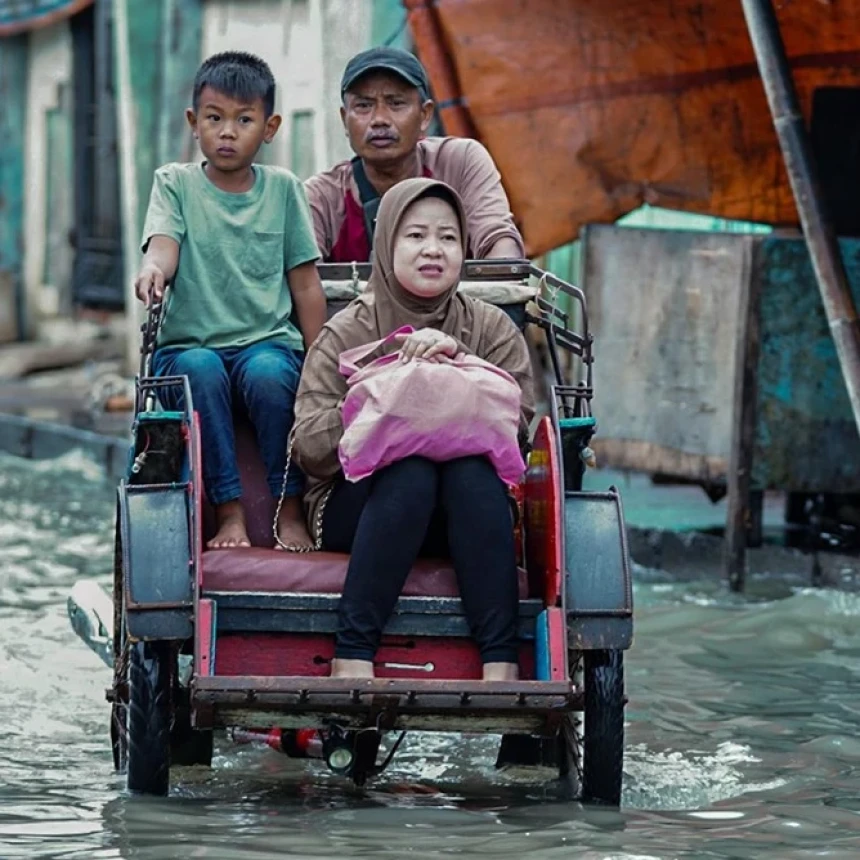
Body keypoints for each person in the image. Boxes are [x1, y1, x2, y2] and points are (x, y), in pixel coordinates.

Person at [292, 178, 534, 681]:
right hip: (358, 509)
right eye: (416, 235)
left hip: (465, 517)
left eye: (448, 238)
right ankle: (352, 656)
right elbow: (310, 447)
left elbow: (520, 434)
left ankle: (502, 668)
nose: (433, 250)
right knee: (412, 470)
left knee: (469, 471)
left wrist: (460, 368)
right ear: (387, 244)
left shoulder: (491, 330)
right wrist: (390, 386)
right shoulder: (348, 331)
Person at [134, 52, 326, 550]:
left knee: (269, 375)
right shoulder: (174, 183)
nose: (227, 132)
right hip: (189, 346)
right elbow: (163, 246)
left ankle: (290, 506)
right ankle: (230, 512)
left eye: (244, 120)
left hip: (266, 343)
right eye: (215, 118)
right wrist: (153, 269)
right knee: (200, 369)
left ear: (269, 127)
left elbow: (304, 283)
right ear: (194, 123)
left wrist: (322, 362)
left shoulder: (284, 189)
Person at [305, 46, 525, 262]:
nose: (379, 119)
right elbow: (301, 275)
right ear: (345, 119)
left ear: (425, 115)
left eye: (396, 103)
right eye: (364, 105)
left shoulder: (460, 163)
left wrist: (502, 280)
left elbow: (499, 241)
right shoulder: (323, 197)